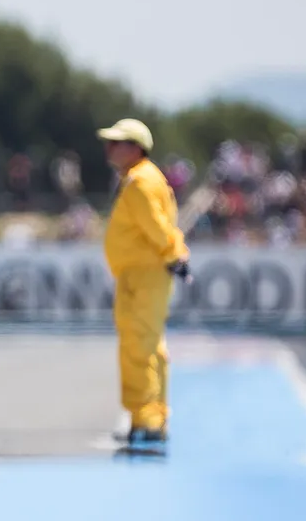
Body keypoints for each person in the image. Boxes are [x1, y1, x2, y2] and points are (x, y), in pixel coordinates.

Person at [96, 118, 192, 447]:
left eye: (116, 142)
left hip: (145, 271)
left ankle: (148, 419)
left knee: (141, 345)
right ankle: (146, 416)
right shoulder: (139, 178)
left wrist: (173, 254)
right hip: (138, 271)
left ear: (135, 147)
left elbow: (156, 226)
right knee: (142, 343)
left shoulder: (140, 181)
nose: (109, 148)